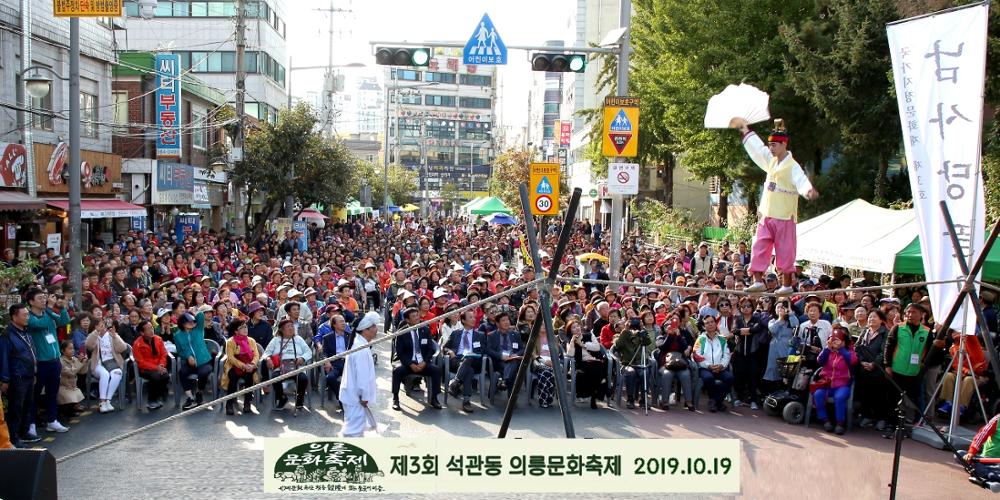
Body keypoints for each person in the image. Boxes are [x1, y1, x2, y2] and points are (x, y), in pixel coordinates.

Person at [732, 117, 819, 295]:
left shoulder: (792, 166)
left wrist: (807, 190)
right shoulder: (770, 161)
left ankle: (786, 284)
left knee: (785, 251)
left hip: (785, 216)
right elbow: (757, 149)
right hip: (766, 214)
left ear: (783, 145)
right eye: (770, 146)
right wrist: (745, 130)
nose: (771, 149)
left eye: (774, 146)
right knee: (759, 247)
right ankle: (757, 280)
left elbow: (801, 180)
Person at [882, 302, 939, 438]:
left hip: (914, 373)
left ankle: (904, 427)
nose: (909, 315)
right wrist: (887, 365)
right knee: (893, 399)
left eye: (913, 312)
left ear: (921, 315)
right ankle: (891, 425)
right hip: (896, 370)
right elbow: (888, 347)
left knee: (910, 400)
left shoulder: (926, 332)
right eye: (908, 312)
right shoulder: (898, 328)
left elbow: (930, 354)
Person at [25, 288, 71, 434]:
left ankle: (52, 420)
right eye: (40, 298)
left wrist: (62, 307)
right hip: (40, 362)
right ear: (31, 302)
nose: (44, 300)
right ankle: (31, 423)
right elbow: (41, 325)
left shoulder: (48, 313)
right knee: (35, 394)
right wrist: (50, 307)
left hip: (54, 359)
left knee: (52, 392)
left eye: (44, 297)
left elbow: (64, 321)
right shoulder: (29, 317)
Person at [391, 307, 443, 411]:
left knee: (436, 370)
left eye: (417, 315)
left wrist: (425, 362)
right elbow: (400, 352)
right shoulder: (402, 332)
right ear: (407, 320)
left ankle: (434, 398)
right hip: (408, 363)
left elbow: (430, 348)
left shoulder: (425, 329)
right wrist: (410, 364)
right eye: (413, 316)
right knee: (397, 370)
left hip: (422, 362)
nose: (417, 318)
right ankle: (395, 398)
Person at [0, 304, 38, 447]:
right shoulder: (7, 335)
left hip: (29, 375)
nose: (27, 317)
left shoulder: (26, 332)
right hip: (18, 377)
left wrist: (35, 371)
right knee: (16, 408)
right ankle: (14, 437)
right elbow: (3, 358)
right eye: (24, 315)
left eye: (27, 314)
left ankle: (24, 432)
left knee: (27, 405)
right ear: (14, 317)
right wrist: (5, 379)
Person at [810, 326, 858, 435]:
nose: (835, 342)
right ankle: (825, 420)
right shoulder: (828, 351)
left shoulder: (849, 351)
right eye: (833, 339)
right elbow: (820, 361)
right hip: (826, 383)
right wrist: (827, 347)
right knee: (818, 394)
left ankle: (840, 423)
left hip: (842, 384)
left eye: (837, 340)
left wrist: (841, 348)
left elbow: (852, 361)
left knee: (839, 397)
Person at [340, 312, 381, 437]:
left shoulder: (361, 344)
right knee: (353, 432)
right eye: (373, 327)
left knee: (355, 428)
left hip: (354, 395)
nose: (376, 329)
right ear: (365, 330)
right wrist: (364, 396)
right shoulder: (360, 349)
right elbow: (362, 376)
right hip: (356, 397)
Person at [937, 329, 989, 419]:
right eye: (952, 332)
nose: (954, 333)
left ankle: (961, 406)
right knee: (949, 376)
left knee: (968, 380)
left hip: (979, 375)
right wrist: (966, 371)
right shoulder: (953, 348)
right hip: (963, 374)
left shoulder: (971, 340)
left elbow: (969, 331)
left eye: (956, 331)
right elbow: (956, 365)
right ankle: (948, 402)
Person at [85, 309, 129, 413]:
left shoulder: (111, 335)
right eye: (99, 325)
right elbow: (88, 345)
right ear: (94, 326)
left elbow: (122, 348)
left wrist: (115, 337)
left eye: (103, 325)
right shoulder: (93, 335)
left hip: (112, 362)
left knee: (117, 373)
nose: (102, 327)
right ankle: (102, 401)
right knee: (105, 374)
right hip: (98, 363)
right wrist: (96, 332)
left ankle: (108, 400)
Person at [264, 319, 312, 411]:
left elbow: (308, 352)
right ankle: (282, 398)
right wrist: (268, 358)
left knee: (303, 379)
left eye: (292, 325)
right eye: (288, 326)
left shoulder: (298, 339)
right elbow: (266, 353)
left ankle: (299, 399)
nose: (291, 328)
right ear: (282, 329)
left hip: (296, 366)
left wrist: (302, 358)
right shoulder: (276, 340)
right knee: (275, 378)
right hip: (281, 367)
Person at [444, 310, 487, 413]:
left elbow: (483, 351)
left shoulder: (480, 335)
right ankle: (466, 401)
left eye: (474, 317)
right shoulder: (456, 333)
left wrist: (473, 354)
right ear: (463, 320)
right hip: (457, 360)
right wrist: (450, 351)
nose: (474, 319)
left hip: (474, 360)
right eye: (471, 317)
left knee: (469, 359)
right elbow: (444, 347)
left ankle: (455, 383)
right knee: (469, 370)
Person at [855, 310, 890, 431]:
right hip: (864, 368)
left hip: (878, 370)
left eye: (874, 317)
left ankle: (881, 418)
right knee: (865, 393)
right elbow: (857, 348)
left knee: (879, 395)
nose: (871, 319)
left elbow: (884, 352)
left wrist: (874, 364)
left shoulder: (885, 333)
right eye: (870, 317)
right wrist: (861, 361)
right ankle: (867, 416)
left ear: (881, 320)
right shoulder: (865, 331)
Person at [175, 311, 214, 410]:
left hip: (204, 361)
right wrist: (188, 356)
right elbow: (179, 351)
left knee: (203, 373)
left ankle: (199, 393)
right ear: (182, 323)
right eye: (188, 321)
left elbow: (201, 315)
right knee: (182, 372)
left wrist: (191, 314)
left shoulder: (198, 329)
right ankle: (190, 398)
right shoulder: (178, 335)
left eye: (193, 321)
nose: (192, 323)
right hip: (190, 363)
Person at [565, 319, 608, 409]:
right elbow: (570, 354)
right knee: (592, 370)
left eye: (577, 326)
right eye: (574, 327)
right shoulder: (570, 341)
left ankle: (594, 394)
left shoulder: (589, 335)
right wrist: (573, 342)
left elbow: (597, 347)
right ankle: (598, 389)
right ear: (570, 331)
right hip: (583, 363)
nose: (577, 328)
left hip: (596, 360)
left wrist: (583, 345)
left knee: (596, 367)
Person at [221, 319, 261, 415]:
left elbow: (256, 355)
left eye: (245, 327)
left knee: (249, 376)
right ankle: (229, 403)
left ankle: (247, 402)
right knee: (233, 377)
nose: (245, 329)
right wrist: (243, 365)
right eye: (241, 328)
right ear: (236, 331)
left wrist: (251, 365)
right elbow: (230, 358)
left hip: (250, 365)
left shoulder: (251, 341)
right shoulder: (230, 342)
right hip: (234, 365)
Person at [693, 315, 733, 413]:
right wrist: (708, 366)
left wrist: (722, 365)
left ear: (716, 324)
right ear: (704, 326)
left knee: (730, 378)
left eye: (712, 322)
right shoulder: (700, 339)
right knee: (708, 378)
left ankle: (714, 401)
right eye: (707, 323)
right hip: (705, 368)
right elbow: (696, 355)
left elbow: (727, 355)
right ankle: (717, 402)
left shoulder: (722, 339)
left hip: (720, 368)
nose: (710, 324)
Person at [614, 317, 655, 409]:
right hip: (628, 363)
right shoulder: (623, 334)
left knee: (645, 372)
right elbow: (617, 346)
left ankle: (643, 400)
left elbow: (647, 342)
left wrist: (643, 331)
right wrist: (625, 330)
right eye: (632, 321)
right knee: (631, 373)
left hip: (640, 363)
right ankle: (630, 399)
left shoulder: (642, 333)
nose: (634, 324)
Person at [656, 315, 694, 411]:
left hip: (680, 363)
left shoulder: (680, 336)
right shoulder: (661, 337)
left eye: (672, 325)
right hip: (666, 364)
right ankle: (665, 401)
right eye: (666, 325)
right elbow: (662, 347)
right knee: (667, 374)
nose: (670, 327)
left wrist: (678, 336)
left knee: (685, 375)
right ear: (663, 328)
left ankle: (688, 401)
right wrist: (669, 335)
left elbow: (685, 347)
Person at [132, 320, 170, 411]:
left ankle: (161, 393)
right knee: (156, 376)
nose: (151, 330)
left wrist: (161, 365)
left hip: (159, 366)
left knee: (165, 376)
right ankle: (151, 401)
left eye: (152, 328)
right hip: (145, 369)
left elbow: (164, 354)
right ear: (142, 332)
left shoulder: (158, 339)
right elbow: (140, 362)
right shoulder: (137, 344)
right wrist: (156, 368)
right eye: (148, 329)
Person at [321, 314, 355, 408]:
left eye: (344, 321)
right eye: (340, 321)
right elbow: (324, 353)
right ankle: (341, 398)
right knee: (330, 378)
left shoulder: (351, 336)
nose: (343, 323)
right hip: (334, 363)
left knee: (354, 378)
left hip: (348, 362)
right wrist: (327, 361)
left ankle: (351, 400)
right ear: (334, 325)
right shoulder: (327, 337)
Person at [961, 413, 1000, 482]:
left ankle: (986, 473)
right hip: (986, 459)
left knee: (974, 466)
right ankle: (990, 474)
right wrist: (971, 452)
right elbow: (982, 435)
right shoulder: (997, 419)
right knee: (960, 454)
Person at [57, 340, 87, 417]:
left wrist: (84, 362)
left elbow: (82, 372)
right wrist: (79, 363)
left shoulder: (74, 359)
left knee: (76, 394)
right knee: (69, 397)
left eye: (73, 348)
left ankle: (70, 410)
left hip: (72, 386)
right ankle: (64, 411)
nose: (72, 350)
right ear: (63, 351)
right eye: (69, 349)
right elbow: (71, 372)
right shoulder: (60, 361)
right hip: (63, 387)